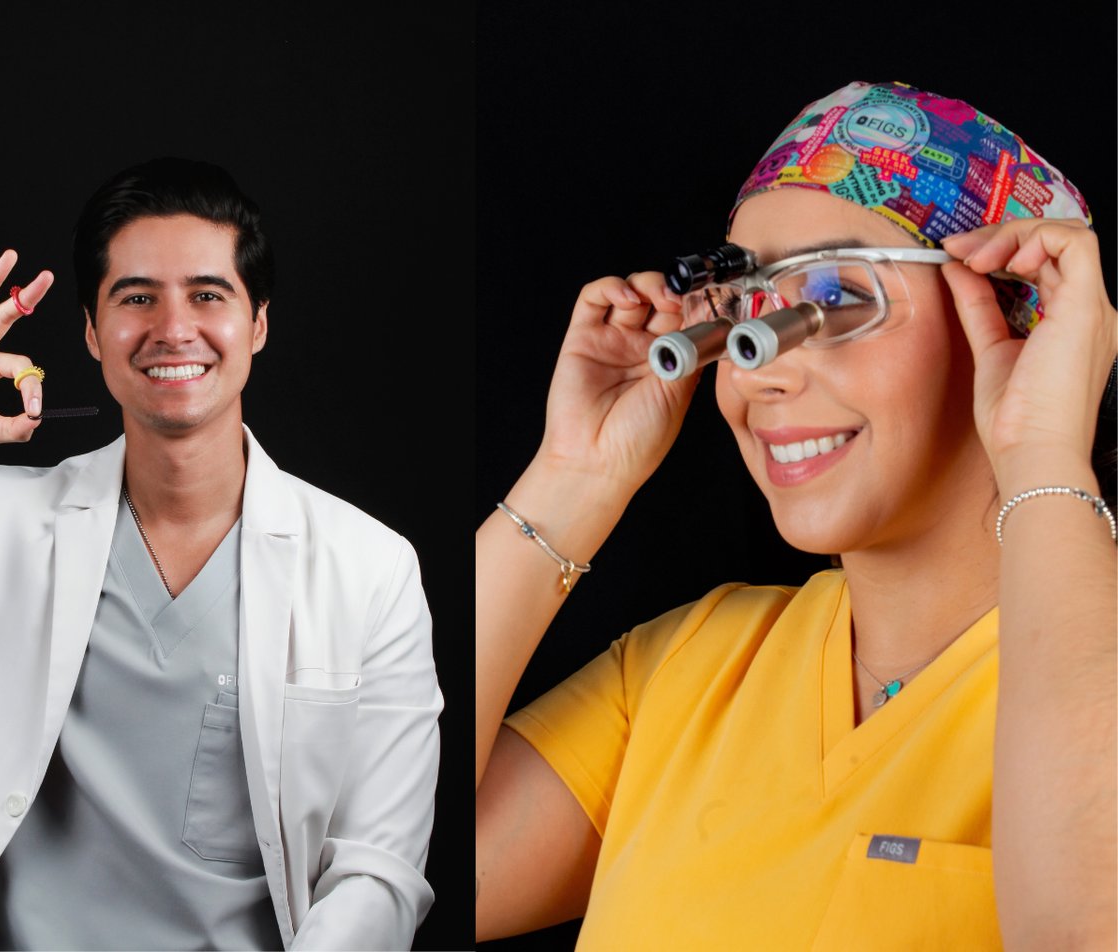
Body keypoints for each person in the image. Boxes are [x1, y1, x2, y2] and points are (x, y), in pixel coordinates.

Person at [473, 81, 1116, 948]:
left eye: (836, 299)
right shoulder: (687, 668)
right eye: (747, 308)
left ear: (1012, 318)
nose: (758, 373)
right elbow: (365, 860)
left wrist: (1044, 450)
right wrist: (573, 476)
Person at [0, 157, 442, 950]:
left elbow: (377, 870)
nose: (174, 329)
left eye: (209, 295)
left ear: (258, 325)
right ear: (93, 333)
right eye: (137, 298)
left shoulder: (371, 569)